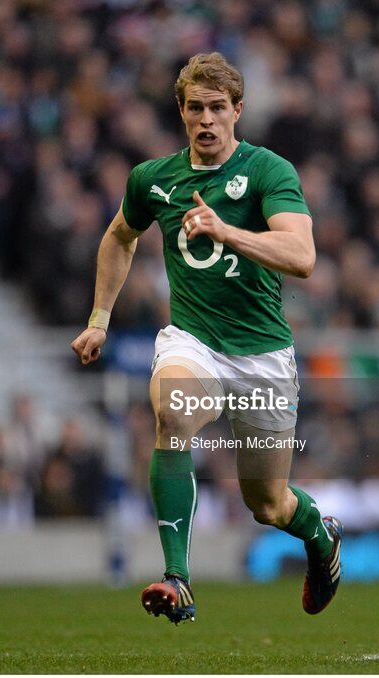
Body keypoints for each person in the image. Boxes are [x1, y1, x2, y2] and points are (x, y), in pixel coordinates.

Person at [71, 53, 342, 624]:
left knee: (267, 504)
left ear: (237, 110)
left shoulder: (269, 171)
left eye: (218, 107)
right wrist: (99, 317)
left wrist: (228, 231)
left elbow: (303, 256)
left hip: (263, 354)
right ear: (182, 112)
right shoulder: (153, 180)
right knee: (171, 414)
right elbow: (120, 237)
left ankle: (320, 537)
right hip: (193, 342)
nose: (207, 119)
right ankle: (179, 579)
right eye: (196, 108)